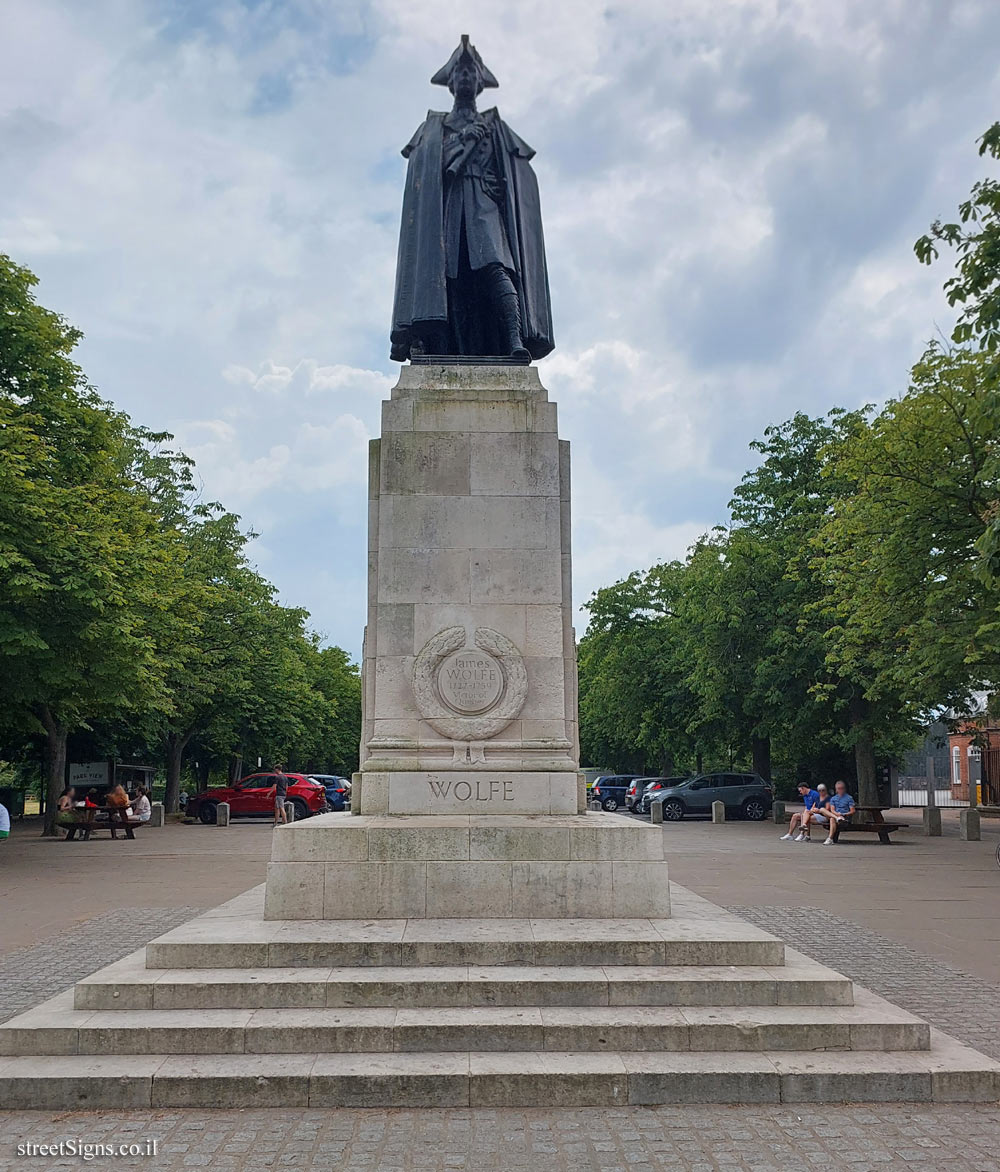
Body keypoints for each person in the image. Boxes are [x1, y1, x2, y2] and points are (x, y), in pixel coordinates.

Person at [822, 780, 856, 845]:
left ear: (845, 789)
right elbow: (832, 810)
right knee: (830, 816)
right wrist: (837, 814)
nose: (840, 790)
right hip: (836, 816)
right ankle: (830, 838)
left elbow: (852, 811)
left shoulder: (849, 798)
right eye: (839, 788)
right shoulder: (833, 799)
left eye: (842, 788)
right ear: (836, 789)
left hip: (845, 818)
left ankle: (830, 839)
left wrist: (845, 814)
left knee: (832, 819)